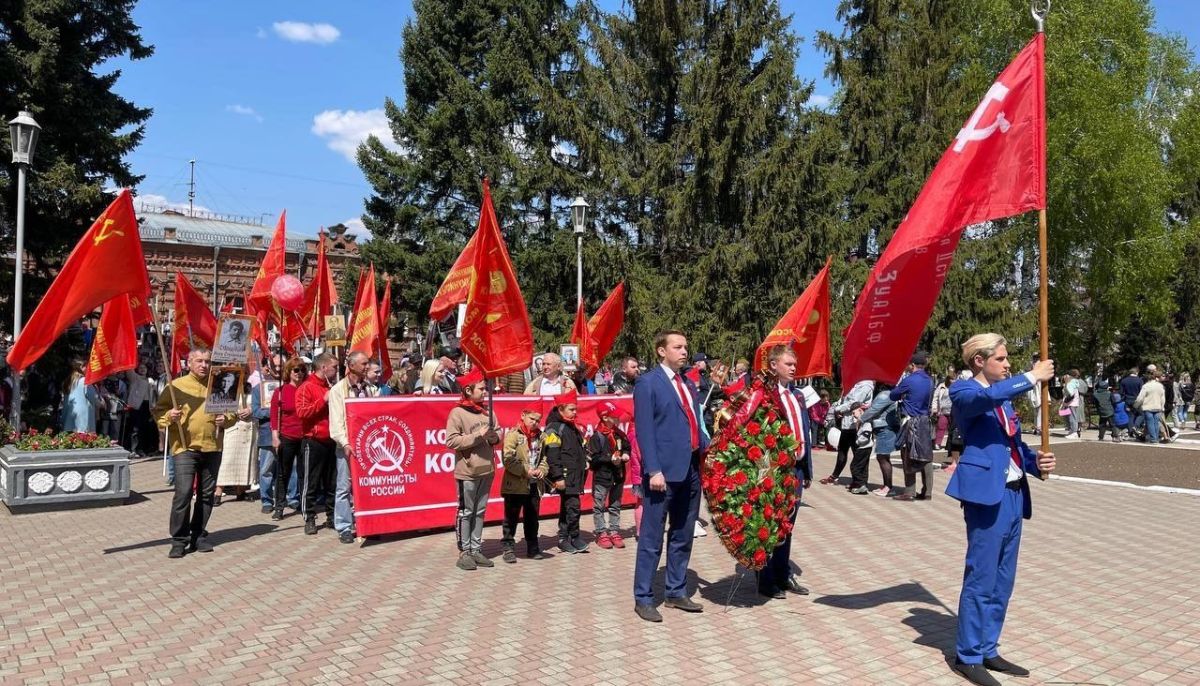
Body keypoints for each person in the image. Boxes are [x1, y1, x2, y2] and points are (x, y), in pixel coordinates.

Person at [945, 333, 1055, 686]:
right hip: (985, 498)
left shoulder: (1003, 399)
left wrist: (1037, 463)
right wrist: (1032, 376)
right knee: (981, 577)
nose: (1008, 365)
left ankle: (988, 647)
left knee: (1003, 579)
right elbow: (988, 397)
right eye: (1002, 359)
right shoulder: (963, 392)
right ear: (980, 360)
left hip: (1012, 495)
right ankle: (969, 655)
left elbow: (1012, 445)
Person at [632, 330, 708, 622]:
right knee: (652, 538)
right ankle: (644, 597)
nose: (684, 351)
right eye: (677, 347)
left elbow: (693, 423)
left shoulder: (688, 384)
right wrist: (653, 469)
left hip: (690, 470)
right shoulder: (648, 383)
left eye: (685, 346)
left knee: (682, 534)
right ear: (661, 351)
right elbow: (645, 431)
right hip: (661, 474)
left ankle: (676, 591)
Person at [153, 346, 248, 559]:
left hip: (212, 445)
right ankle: (179, 539)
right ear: (189, 363)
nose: (204, 365)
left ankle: (198, 534)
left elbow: (232, 413)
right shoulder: (175, 386)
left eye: (207, 361)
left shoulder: (221, 384)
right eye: (199, 361)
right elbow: (159, 412)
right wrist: (170, 415)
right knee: (184, 493)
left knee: (206, 495)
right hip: (185, 447)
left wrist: (227, 420)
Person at [757, 345, 813, 600]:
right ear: (773, 366)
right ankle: (765, 578)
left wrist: (807, 468)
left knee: (788, 525)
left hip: (797, 470)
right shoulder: (764, 395)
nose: (793, 368)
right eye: (788, 364)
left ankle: (782, 573)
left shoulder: (798, 395)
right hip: (775, 470)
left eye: (794, 364)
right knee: (771, 523)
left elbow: (805, 430)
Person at [445, 367, 499, 570]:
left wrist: (493, 436)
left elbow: (498, 436)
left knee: (480, 511)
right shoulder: (457, 413)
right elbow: (451, 441)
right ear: (468, 390)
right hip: (467, 471)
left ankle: (476, 549)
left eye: (485, 389)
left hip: (487, 469)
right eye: (481, 389)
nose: (485, 392)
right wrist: (477, 436)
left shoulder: (488, 411)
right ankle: (464, 551)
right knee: (466, 512)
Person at [326, 351, 379, 544]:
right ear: (352, 365)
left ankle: (368, 523)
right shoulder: (338, 390)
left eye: (368, 364)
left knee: (367, 486)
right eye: (364, 364)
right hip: (346, 447)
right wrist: (345, 443)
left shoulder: (370, 389)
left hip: (368, 446)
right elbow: (336, 422)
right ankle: (344, 526)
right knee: (344, 487)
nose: (367, 367)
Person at [295, 353, 339, 536]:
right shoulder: (307, 387)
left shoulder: (331, 387)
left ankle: (331, 516)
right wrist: (323, 400)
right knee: (310, 482)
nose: (337, 371)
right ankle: (310, 518)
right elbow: (302, 412)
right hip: (312, 441)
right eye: (334, 367)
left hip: (331, 440)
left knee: (332, 483)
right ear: (323, 368)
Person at [500, 402, 548, 562]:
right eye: (532, 419)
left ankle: (533, 547)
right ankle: (508, 547)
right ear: (523, 415)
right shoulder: (513, 435)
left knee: (532, 518)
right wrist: (525, 470)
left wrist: (542, 469)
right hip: (515, 485)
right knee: (511, 518)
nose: (535, 423)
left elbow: (546, 458)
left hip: (534, 485)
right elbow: (508, 460)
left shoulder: (542, 437)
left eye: (538, 420)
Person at [544, 388, 590, 554]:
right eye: (571, 409)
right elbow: (552, 454)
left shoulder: (571, 427)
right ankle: (572, 536)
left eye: (576, 409)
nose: (574, 412)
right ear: (560, 409)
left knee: (568, 506)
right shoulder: (553, 429)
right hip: (564, 476)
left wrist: (585, 460)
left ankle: (565, 537)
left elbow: (579, 449)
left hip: (575, 475)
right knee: (573, 507)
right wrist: (557, 476)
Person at [892, 351, 936, 501]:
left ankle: (909, 492)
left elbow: (893, 395)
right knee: (926, 456)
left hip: (911, 421)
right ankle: (927, 491)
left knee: (908, 454)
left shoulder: (909, 380)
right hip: (925, 420)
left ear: (912, 365)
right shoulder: (930, 381)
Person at [268, 357, 307, 520]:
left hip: (305, 436)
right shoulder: (281, 391)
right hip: (287, 436)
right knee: (283, 472)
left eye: (302, 370)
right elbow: (273, 416)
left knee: (304, 473)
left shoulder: (307, 389)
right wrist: (275, 437)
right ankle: (279, 506)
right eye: (295, 370)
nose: (299, 373)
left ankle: (305, 506)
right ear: (289, 372)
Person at [589, 400, 631, 550]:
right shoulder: (597, 437)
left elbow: (627, 447)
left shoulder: (619, 434)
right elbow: (593, 459)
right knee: (599, 506)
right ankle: (601, 532)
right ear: (605, 417)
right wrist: (609, 459)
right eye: (615, 416)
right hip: (602, 477)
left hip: (618, 476)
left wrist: (626, 454)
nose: (619, 419)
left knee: (615, 505)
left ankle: (614, 531)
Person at [823, 379, 874, 485]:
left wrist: (838, 409)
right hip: (846, 424)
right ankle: (835, 475)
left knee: (858, 454)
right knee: (842, 451)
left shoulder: (865, 386)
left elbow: (853, 403)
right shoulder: (853, 384)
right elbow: (844, 401)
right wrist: (839, 407)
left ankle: (859, 481)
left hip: (856, 425)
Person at [860, 383, 898, 497]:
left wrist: (861, 419)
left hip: (884, 429)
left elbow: (875, 409)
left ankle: (888, 487)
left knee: (882, 456)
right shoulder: (890, 394)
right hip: (885, 428)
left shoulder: (885, 394)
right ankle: (887, 485)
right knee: (883, 457)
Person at [61, 358, 101, 433]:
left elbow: (65, 402)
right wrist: (101, 404)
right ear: (81, 367)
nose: (88, 369)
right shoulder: (85, 381)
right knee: (83, 441)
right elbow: (93, 397)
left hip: (69, 416)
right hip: (83, 418)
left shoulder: (68, 382)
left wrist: (63, 419)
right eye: (86, 366)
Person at [122, 365, 154, 456]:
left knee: (144, 428)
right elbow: (129, 369)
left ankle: (142, 449)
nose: (143, 369)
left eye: (145, 368)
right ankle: (133, 449)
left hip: (147, 406)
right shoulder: (135, 377)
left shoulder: (150, 380)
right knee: (135, 429)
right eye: (140, 368)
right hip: (136, 407)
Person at [1134, 371, 1166, 444]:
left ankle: (1153, 439)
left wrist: (1136, 405)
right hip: (1158, 406)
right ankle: (1156, 438)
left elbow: (1140, 398)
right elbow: (1162, 398)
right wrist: (1162, 406)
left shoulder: (1146, 386)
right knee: (1156, 423)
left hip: (1148, 407)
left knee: (1150, 423)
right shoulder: (1160, 386)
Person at [1119, 367, 1144, 438]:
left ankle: (1131, 431)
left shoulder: (1124, 381)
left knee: (1130, 416)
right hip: (1137, 400)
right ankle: (1135, 426)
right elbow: (1141, 392)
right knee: (1142, 414)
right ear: (1137, 372)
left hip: (1127, 400)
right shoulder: (1139, 381)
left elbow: (1121, 392)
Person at [933, 374, 953, 449]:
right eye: (951, 379)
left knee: (952, 429)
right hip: (943, 411)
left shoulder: (956, 386)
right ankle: (937, 443)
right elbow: (935, 397)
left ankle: (950, 444)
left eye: (953, 379)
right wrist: (934, 408)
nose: (953, 381)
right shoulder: (941, 386)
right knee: (941, 426)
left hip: (953, 411)